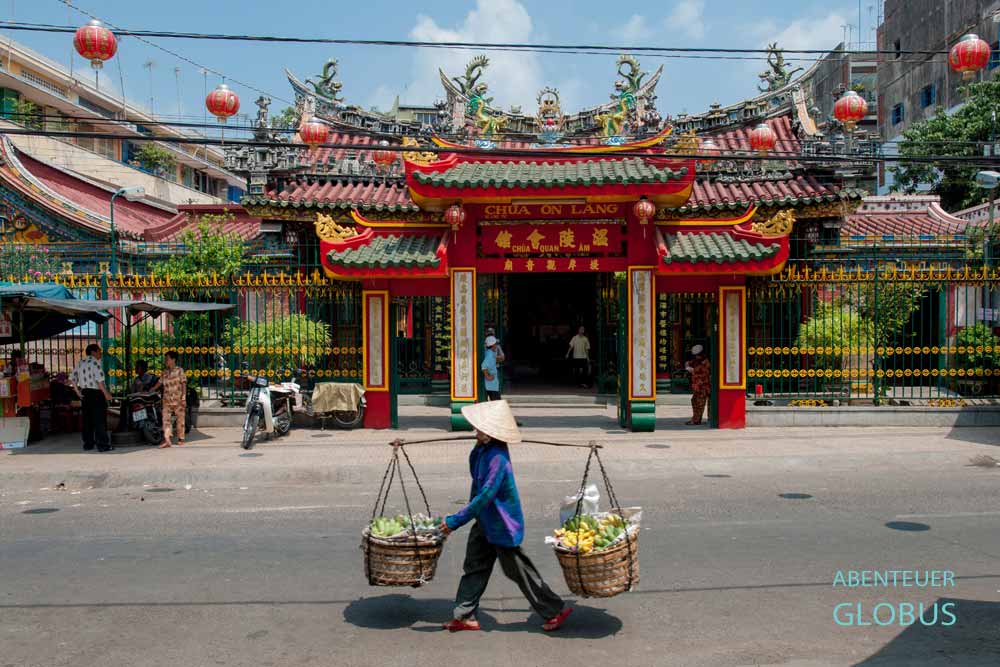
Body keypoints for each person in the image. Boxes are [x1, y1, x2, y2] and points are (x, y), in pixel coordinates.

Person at [440, 400, 572, 633]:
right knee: (474, 566)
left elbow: (485, 495)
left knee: (518, 571)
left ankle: (554, 610)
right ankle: (465, 615)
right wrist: (478, 444)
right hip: (484, 520)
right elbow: (476, 484)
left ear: (491, 433)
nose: (476, 431)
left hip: (501, 523)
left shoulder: (497, 458)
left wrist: (455, 521)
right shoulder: (483, 450)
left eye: (480, 429)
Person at [69, 344, 113, 452]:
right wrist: (106, 394)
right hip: (96, 393)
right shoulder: (95, 363)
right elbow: (99, 381)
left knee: (87, 420)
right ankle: (103, 445)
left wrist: (77, 391)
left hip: (85, 393)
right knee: (99, 420)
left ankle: (88, 444)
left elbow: (72, 378)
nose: (100, 354)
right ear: (93, 352)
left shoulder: (80, 363)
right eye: (99, 351)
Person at [151, 350, 187, 448]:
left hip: (178, 399)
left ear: (173, 359)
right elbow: (159, 383)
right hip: (166, 400)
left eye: (167, 359)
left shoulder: (180, 370)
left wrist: (184, 397)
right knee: (166, 420)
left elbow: (184, 384)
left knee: (180, 420)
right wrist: (152, 389)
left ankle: (181, 438)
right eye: (165, 359)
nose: (165, 361)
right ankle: (167, 440)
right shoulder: (165, 372)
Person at [686, 344, 711, 425]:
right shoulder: (697, 361)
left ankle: (697, 420)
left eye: (697, 356)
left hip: (703, 386)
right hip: (698, 386)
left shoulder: (705, 362)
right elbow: (690, 363)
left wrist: (692, 371)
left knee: (699, 403)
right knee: (694, 401)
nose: (696, 357)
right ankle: (696, 418)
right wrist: (688, 365)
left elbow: (704, 374)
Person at [482, 335, 501, 401]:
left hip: (492, 384)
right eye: (496, 344)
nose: (496, 345)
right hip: (491, 384)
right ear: (493, 345)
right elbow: (484, 366)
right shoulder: (490, 354)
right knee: (496, 402)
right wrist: (487, 376)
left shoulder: (490, 353)